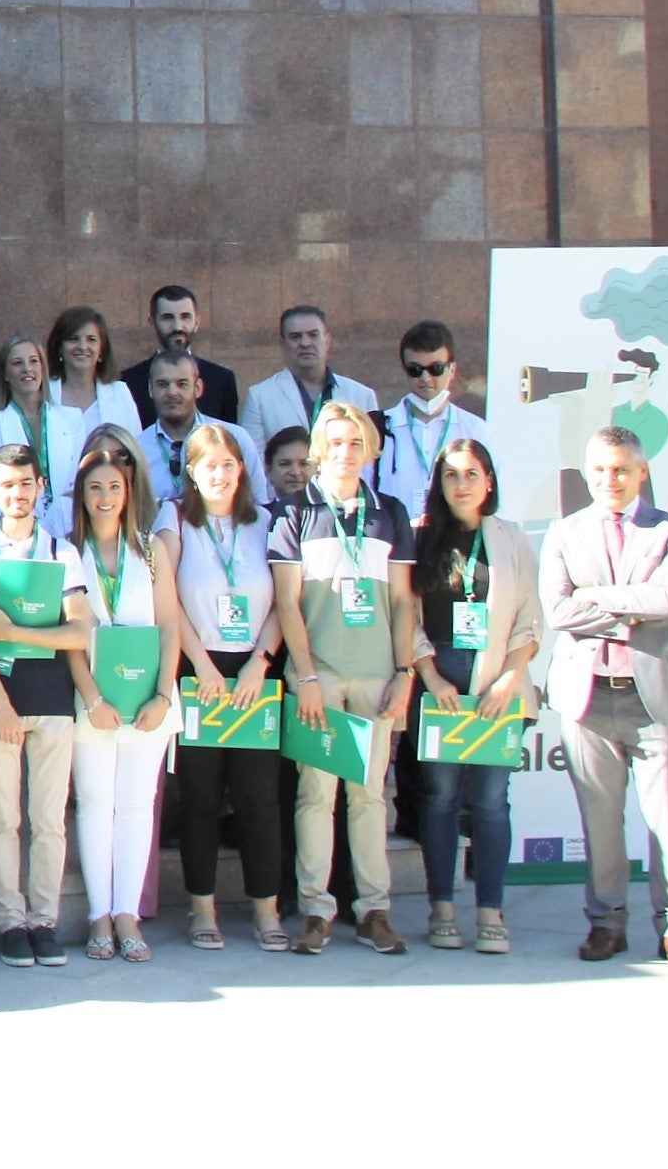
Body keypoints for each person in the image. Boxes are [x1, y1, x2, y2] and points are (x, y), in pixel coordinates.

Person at [540, 425, 668, 970]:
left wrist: (595, 601)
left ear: (642, 472)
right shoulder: (564, 533)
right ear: (587, 475)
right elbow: (558, 612)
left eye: (620, 469)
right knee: (600, 822)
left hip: (655, 696)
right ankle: (606, 924)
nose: (609, 480)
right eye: (599, 470)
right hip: (589, 699)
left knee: (666, 821)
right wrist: (629, 610)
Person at [269, 401, 419, 957]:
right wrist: (304, 675)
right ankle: (315, 910)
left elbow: (403, 602)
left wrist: (404, 672)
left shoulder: (390, 514)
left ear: (370, 449)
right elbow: (287, 603)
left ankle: (374, 910)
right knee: (315, 796)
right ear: (318, 451)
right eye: (334, 443)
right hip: (320, 678)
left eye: (355, 442)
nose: (345, 453)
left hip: (376, 674)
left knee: (371, 797)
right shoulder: (294, 514)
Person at [0, 442, 95, 966]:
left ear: (41, 487)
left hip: (53, 700)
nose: (18, 494)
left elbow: (80, 631)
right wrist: (1, 703)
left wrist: (18, 632)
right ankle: (11, 923)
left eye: (26, 483)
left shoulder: (62, 552)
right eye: (7, 485)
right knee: (1, 818)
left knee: (50, 819)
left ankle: (45, 920)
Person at [408, 436, 539, 955]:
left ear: (489, 481)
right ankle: (442, 907)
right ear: (439, 485)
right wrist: (431, 677)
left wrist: (509, 678)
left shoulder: (511, 538)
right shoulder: (422, 539)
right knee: (438, 798)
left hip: (497, 684)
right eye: (450, 475)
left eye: (471, 473)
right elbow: (407, 618)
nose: (461, 484)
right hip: (440, 682)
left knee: (489, 802)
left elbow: (531, 617)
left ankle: (490, 909)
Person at [62, 443, 183, 964]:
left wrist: (162, 692)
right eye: (95, 488)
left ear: (128, 491)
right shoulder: (67, 550)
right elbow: (66, 633)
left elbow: (170, 624)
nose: (106, 496)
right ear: (81, 497)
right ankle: (98, 917)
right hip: (93, 700)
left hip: (149, 700)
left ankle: (128, 913)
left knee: (136, 806)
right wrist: (91, 699)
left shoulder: (151, 549)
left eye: (114, 487)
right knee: (94, 804)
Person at [169, 422, 287, 952]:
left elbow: (288, 597)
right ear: (191, 472)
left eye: (228, 464)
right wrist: (202, 666)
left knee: (260, 797)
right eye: (208, 465)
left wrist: (261, 662)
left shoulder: (269, 522)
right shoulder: (175, 523)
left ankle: (267, 908)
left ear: (243, 469)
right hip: (200, 674)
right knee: (199, 797)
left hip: (256, 672)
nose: (219, 474)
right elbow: (166, 598)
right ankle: (202, 907)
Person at [375, 320, 490, 517]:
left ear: (452, 369)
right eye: (415, 369)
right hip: (395, 542)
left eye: (436, 369)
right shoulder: (378, 428)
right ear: (404, 370)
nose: (426, 378)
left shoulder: (476, 430)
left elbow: (492, 496)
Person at [240, 304, 378, 462]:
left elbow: (371, 460)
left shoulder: (362, 396)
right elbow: (254, 465)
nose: (305, 343)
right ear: (283, 344)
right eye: (295, 336)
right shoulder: (260, 398)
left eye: (313, 335)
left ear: (327, 340)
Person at [0, 335, 77, 532]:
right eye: (17, 363)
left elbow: (75, 487)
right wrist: (28, 533)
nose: (27, 368)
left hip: (68, 532)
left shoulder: (72, 419)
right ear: (5, 374)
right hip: (14, 533)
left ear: (42, 368)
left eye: (33, 361)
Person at [138, 349, 254, 503]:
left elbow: (257, 505)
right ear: (151, 389)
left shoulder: (235, 439)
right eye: (162, 384)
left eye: (182, 384)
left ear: (198, 388)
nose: (172, 392)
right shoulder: (137, 450)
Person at [120, 283, 242, 424]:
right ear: (152, 322)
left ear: (197, 322)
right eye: (168, 318)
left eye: (185, 317)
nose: (177, 327)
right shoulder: (128, 382)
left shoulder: (222, 380)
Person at [45, 305, 143, 451]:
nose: (82, 346)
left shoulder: (119, 393)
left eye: (91, 339)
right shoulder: (44, 393)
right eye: (73, 339)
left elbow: (136, 449)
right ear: (59, 347)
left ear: (101, 350)